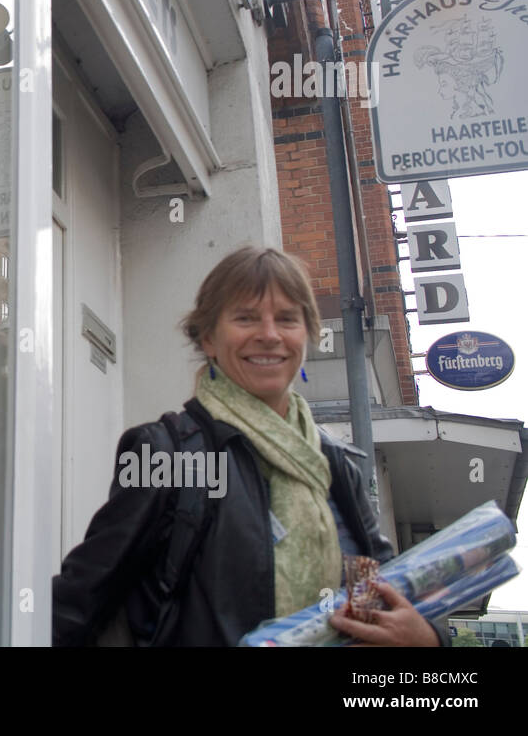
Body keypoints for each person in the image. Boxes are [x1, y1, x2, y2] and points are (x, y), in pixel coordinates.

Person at [52, 246, 445, 647]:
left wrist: (429, 639)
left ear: (307, 334)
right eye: (246, 318)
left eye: (288, 319)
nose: (270, 335)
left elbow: (387, 587)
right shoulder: (167, 453)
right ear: (208, 337)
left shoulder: (333, 463)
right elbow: (78, 601)